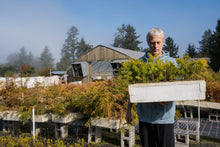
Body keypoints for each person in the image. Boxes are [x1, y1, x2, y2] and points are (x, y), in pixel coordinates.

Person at [126, 28, 177, 147]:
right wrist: (129, 110)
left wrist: (168, 100)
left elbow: (178, 89)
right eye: (152, 42)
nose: (155, 46)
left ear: (163, 42)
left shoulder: (171, 63)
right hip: (145, 118)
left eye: (158, 42)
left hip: (165, 119)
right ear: (148, 42)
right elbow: (132, 89)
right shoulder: (139, 63)